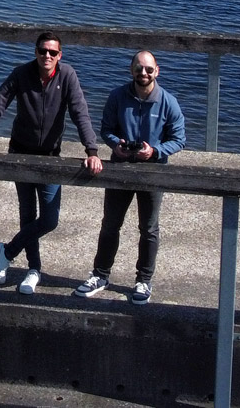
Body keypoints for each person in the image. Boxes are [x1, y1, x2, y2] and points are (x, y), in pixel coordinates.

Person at [0, 33, 103, 295]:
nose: (47, 56)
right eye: (42, 51)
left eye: (52, 52)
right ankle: (33, 269)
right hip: (20, 154)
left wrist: (91, 150)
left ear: (60, 55)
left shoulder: (67, 76)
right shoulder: (21, 74)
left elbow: (79, 112)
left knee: (49, 220)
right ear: (35, 52)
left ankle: (7, 251)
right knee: (27, 215)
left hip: (50, 157)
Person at [75, 50, 187, 305]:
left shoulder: (168, 102)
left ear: (157, 71)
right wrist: (117, 145)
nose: (143, 73)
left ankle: (144, 280)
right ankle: (100, 275)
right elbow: (106, 129)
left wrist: (155, 151)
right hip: (120, 169)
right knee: (110, 224)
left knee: (148, 229)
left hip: (153, 172)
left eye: (148, 69)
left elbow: (179, 139)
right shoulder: (117, 96)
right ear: (131, 70)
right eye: (139, 68)